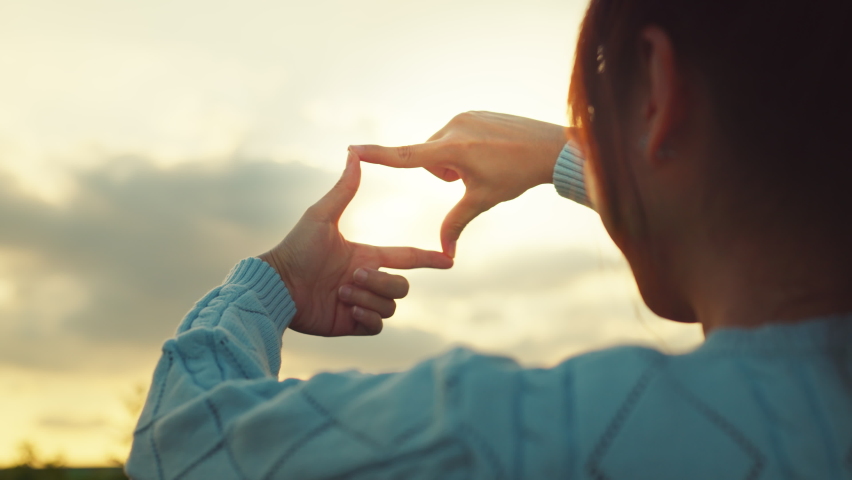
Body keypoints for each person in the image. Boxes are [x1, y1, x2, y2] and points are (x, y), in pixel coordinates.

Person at [126, 0, 852, 478]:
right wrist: (573, 154)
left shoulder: (536, 436)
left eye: (606, 93)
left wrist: (273, 284)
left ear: (659, 87)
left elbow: (180, 444)